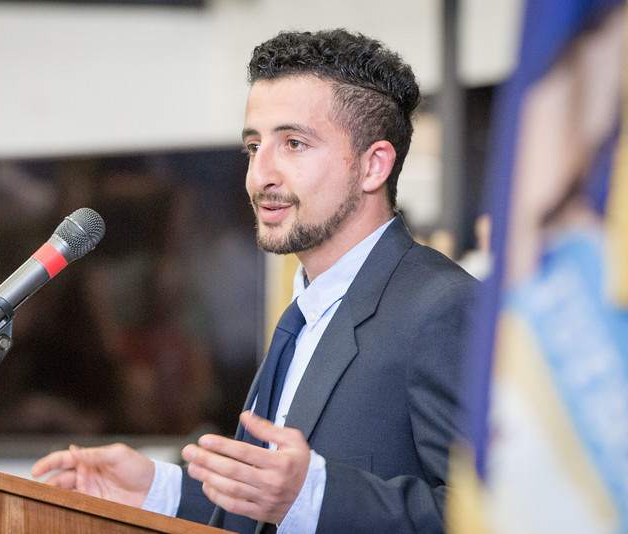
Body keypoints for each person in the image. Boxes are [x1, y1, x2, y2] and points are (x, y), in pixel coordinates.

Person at [31, 29, 477, 533]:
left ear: (373, 165)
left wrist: (315, 497)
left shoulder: (443, 307)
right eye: (252, 146)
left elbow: (502, 517)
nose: (259, 175)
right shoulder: (306, 312)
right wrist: (160, 489)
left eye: (293, 143)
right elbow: (273, 506)